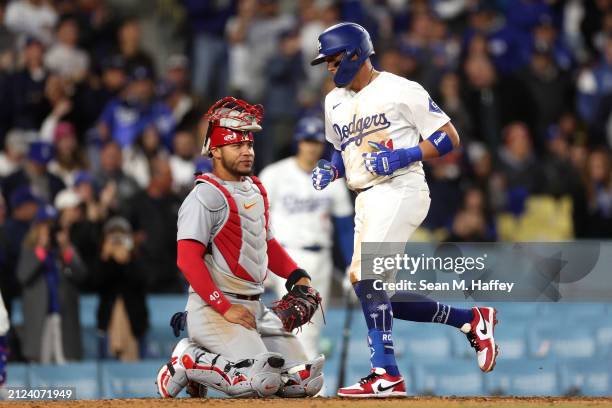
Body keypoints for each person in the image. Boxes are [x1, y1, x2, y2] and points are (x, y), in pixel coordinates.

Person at [310, 22, 499, 397]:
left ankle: (386, 373)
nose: (329, 69)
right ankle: (472, 321)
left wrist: (405, 155)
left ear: (353, 55)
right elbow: (339, 146)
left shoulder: (400, 89)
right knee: (378, 293)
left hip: (402, 188)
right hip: (364, 196)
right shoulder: (333, 100)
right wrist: (331, 166)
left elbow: (449, 136)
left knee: (367, 279)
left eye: (332, 61)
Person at [156, 96, 324, 399]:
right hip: (213, 310)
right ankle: (188, 359)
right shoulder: (203, 196)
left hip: (254, 308)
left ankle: (208, 361)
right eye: (237, 146)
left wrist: (296, 274)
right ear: (216, 151)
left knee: (303, 382)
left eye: (249, 145)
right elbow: (187, 260)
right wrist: (224, 306)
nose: (247, 151)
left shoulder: (256, 189)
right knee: (258, 382)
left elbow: (267, 244)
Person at [259, 116, 353, 359]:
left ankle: (301, 382)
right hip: (288, 258)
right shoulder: (275, 174)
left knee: (313, 326)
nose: (311, 147)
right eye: (307, 141)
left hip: (321, 258)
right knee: (296, 323)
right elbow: (258, 221)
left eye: (316, 142)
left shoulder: (331, 178)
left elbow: (345, 227)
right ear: (298, 142)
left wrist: (354, 265)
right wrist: (263, 261)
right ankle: (308, 385)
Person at [16, 203, 86, 363]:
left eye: (52, 226)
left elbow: (81, 275)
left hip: (62, 316)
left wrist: (65, 249)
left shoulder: (63, 250)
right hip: (41, 316)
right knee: (42, 362)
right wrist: (39, 251)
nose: (49, 230)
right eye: (44, 226)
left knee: (64, 360)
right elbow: (23, 276)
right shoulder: (29, 249)